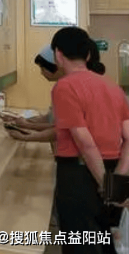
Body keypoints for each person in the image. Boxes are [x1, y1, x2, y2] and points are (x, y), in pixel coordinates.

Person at [50, 27, 129, 254]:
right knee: (105, 241)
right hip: (113, 170)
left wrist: (105, 185)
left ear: (58, 55)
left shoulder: (64, 87)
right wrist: (116, 183)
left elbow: (85, 143)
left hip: (79, 177)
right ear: (87, 55)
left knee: (80, 245)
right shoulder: (112, 86)